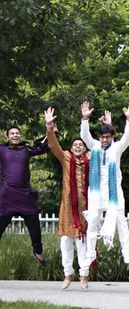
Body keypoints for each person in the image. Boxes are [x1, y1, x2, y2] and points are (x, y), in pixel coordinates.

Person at [80, 101, 129, 266]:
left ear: (112, 137)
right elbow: (85, 136)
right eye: (102, 137)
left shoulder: (117, 148)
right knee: (93, 223)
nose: (104, 140)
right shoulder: (95, 146)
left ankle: (126, 252)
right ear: (99, 137)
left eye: (108, 137)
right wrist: (84, 119)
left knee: (121, 221)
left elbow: (127, 138)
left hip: (114, 192)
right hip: (96, 192)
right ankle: (90, 253)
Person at [45, 107, 92, 289]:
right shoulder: (66, 158)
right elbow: (53, 145)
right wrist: (49, 127)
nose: (78, 147)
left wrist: (86, 120)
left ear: (85, 148)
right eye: (75, 145)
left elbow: (101, 147)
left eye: (81, 145)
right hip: (67, 209)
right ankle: (67, 274)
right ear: (71, 149)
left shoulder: (90, 158)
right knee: (66, 243)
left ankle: (84, 276)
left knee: (83, 244)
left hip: (85, 210)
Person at [0, 122, 50, 268]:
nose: (15, 135)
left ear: (20, 135)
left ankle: (38, 250)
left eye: (17, 133)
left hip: (25, 195)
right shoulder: (2, 149)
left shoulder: (26, 149)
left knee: (34, 223)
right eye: (12, 134)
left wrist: (50, 131)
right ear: (7, 136)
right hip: (7, 196)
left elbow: (43, 148)